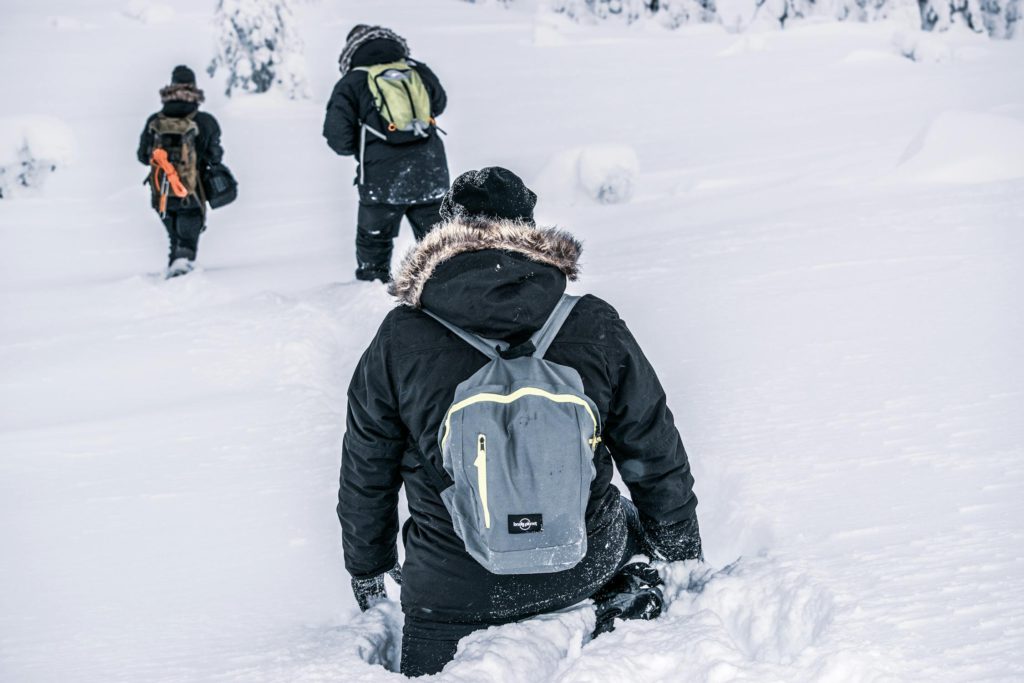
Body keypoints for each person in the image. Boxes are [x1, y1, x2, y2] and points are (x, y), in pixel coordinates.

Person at [338, 167, 702, 677]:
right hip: (583, 565)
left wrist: (367, 566)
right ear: (529, 230)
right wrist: (680, 544)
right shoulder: (591, 320)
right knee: (619, 509)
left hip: (450, 593)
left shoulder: (401, 338)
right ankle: (622, 597)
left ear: (445, 234)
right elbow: (651, 444)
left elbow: (366, 469)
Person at [323, 25, 450, 284]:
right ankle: (451, 295)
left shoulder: (352, 82)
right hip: (430, 172)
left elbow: (337, 138)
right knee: (442, 247)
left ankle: (373, 295)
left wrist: (367, 147)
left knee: (374, 244)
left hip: (380, 180)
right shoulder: (416, 69)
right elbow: (439, 104)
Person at [136, 65, 224, 278]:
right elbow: (215, 156)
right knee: (187, 241)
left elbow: (142, 156)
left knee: (174, 238)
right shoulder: (205, 121)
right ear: (194, 87)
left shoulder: (155, 120)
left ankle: (174, 274)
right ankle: (182, 277)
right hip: (193, 191)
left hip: (161, 193)